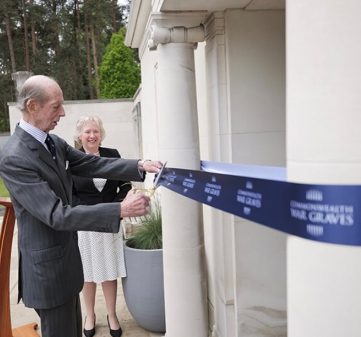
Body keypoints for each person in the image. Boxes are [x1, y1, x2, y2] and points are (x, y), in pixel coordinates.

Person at [0, 75, 162, 337]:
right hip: (48, 274)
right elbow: (56, 214)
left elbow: (92, 163)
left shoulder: (50, 140)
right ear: (32, 106)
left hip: (65, 264)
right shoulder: (15, 157)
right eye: (56, 106)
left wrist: (138, 166)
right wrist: (119, 210)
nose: (62, 113)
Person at [72, 116, 132, 337]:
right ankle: (90, 315)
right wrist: (89, 214)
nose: (92, 135)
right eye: (87, 131)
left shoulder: (112, 155)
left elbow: (125, 184)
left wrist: (117, 208)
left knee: (109, 271)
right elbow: (70, 195)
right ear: (80, 136)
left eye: (96, 131)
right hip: (84, 225)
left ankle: (111, 315)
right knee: (86, 273)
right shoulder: (73, 160)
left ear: (101, 134)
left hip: (109, 221)